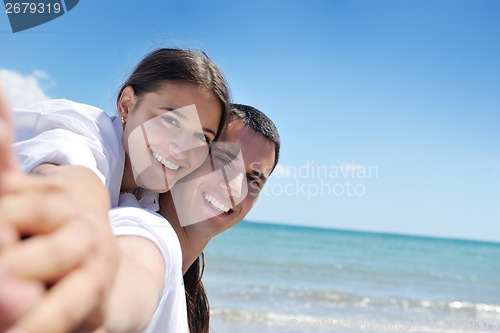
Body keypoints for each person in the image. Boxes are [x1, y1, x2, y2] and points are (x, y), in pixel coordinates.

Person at [0, 47, 231, 333]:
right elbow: (67, 175)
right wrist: (81, 219)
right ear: (126, 105)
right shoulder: (81, 131)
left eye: (201, 138)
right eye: (171, 121)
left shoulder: (144, 199)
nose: (182, 148)